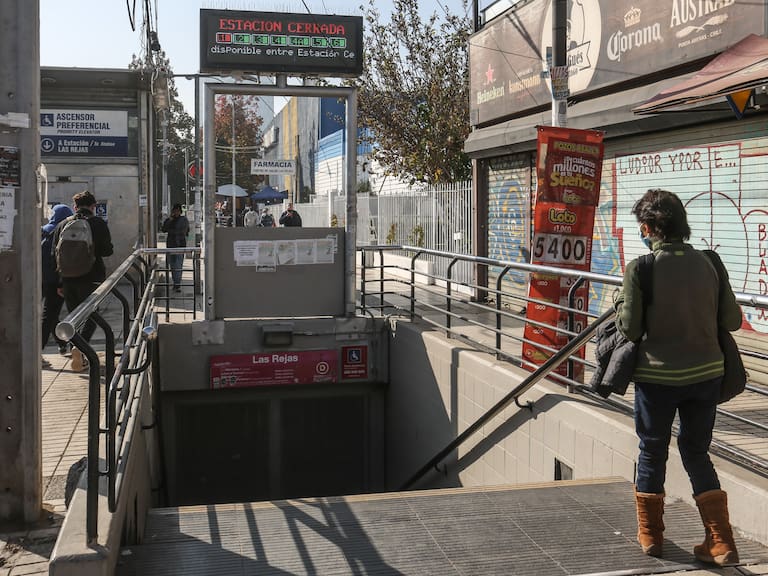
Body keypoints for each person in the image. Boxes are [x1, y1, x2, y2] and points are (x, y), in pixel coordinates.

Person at [614, 189, 742, 565]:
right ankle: (721, 543)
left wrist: (622, 301)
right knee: (696, 451)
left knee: (652, 450)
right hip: (706, 377)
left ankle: (651, 537)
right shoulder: (711, 262)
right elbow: (732, 321)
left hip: (658, 379)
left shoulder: (641, 268)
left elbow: (631, 329)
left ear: (648, 227)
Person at [53, 191, 114, 372]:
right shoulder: (97, 223)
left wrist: (59, 282)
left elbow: (53, 256)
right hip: (92, 278)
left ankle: (77, 348)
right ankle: (80, 348)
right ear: (93, 206)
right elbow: (107, 251)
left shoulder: (63, 224)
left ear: (75, 207)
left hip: (68, 279)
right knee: (91, 316)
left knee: (74, 318)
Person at [41, 204, 73, 356]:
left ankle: (62, 343)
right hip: (56, 281)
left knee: (51, 315)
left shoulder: (42, 231)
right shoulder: (63, 232)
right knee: (49, 315)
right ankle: (36, 351)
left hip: (40, 280)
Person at [161, 204, 190, 293]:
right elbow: (163, 229)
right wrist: (169, 220)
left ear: (180, 211)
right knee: (172, 265)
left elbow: (184, 231)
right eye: (174, 210)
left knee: (178, 264)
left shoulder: (183, 220)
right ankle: (175, 282)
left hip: (180, 245)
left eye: (177, 210)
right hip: (171, 245)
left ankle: (177, 284)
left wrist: (171, 231)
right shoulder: (170, 220)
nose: (176, 212)